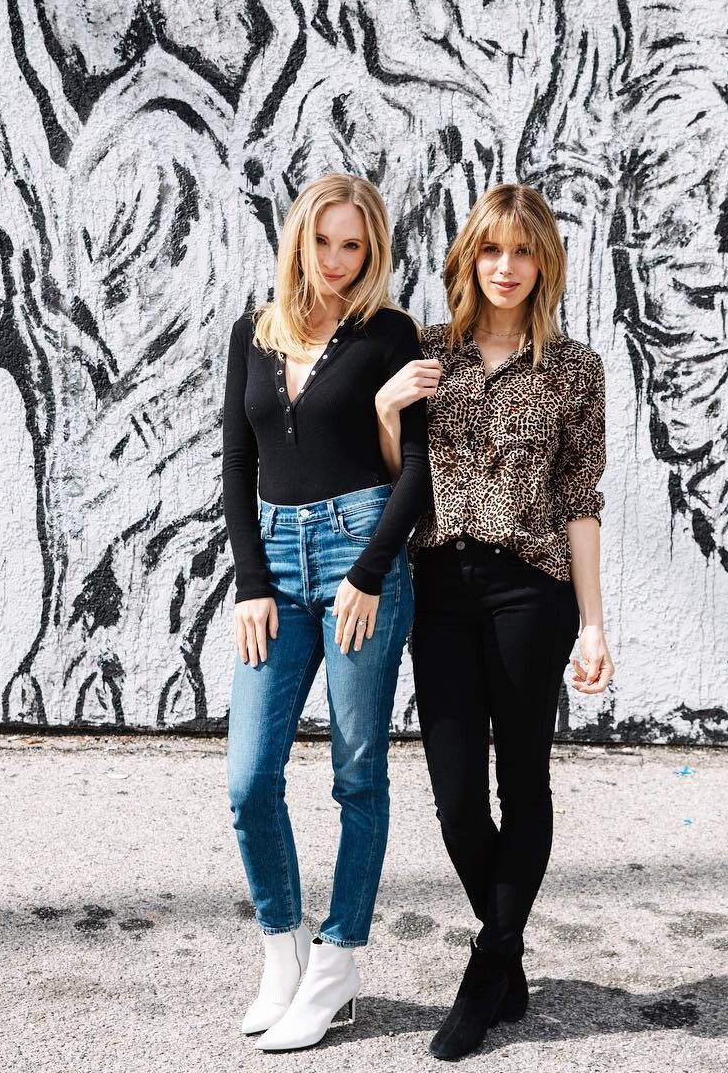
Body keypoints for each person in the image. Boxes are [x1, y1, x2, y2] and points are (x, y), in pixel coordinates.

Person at [375, 182, 614, 1061]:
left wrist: (594, 624)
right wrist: (386, 409)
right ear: (469, 257)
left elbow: (580, 499)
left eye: (522, 252)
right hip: (440, 585)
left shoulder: (575, 368)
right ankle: (507, 953)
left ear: (544, 264)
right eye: (491, 249)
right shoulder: (429, 352)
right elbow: (398, 478)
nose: (505, 267)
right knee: (455, 800)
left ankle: (485, 971)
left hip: (530, 591)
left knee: (524, 781)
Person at [221, 173, 429, 1052]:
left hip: (359, 557)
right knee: (248, 779)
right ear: (298, 240)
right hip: (275, 562)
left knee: (357, 772)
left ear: (370, 249)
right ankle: (285, 953)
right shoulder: (254, 331)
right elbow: (237, 462)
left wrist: (370, 573)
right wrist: (250, 581)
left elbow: (417, 470)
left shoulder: (390, 335)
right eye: (324, 241)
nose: (337, 260)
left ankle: (339, 961)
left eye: (354, 245)